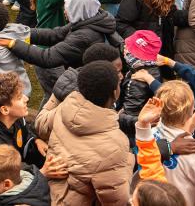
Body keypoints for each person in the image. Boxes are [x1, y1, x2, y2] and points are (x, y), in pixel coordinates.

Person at [38, 60, 134, 206]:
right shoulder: (115, 144)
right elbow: (116, 200)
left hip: (49, 196)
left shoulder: (65, 106)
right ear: (115, 94)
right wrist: (128, 158)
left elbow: (41, 127)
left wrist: (56, 95)